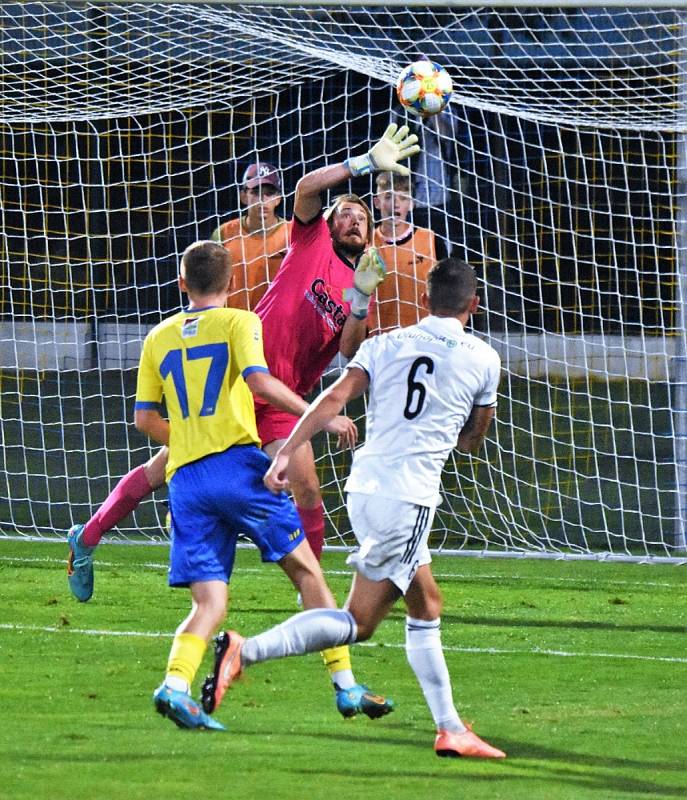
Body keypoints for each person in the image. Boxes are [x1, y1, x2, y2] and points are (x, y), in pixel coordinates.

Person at [66, 122, 420, 717]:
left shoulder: (359, 276)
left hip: (288, 396)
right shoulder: (309, 243)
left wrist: (360, 300)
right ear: (328, 222)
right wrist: (362, 165)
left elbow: (350, 351)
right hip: (247, 381)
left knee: (298, 483)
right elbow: (308, 187)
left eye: (362, 217)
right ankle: (91, 534)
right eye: (346, 213)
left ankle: (311, 601)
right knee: (169, 465)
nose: (354, 219)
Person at [201, 258, 506, 759]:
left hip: (363, 487)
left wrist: (285, 452)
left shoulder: (384, 343)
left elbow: (331, 399)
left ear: (426, 299)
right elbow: (473, 440)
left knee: (425, 603)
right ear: (473, 305)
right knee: (358, 623)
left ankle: (450, 727)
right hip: (407, 498)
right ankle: (245, 649)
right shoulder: (483, 358)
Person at [134, 240, 359, 730]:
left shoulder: (158, 336)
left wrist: (192, 439)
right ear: (231, 282)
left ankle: (175, 684)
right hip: (238, 469)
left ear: (181, 282)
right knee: (307, 573)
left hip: (187, 481)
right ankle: (346, 686)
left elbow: (145, 419)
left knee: (209, 602)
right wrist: (319, 416)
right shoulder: (240, 321)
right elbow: (260, 383)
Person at [211, 162, 289, 311]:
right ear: (243, 196)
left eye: (269, 193)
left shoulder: (292, 234)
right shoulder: (223, 234)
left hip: (275, 324)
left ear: (278, 198)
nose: (262, 200)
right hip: (231, 324)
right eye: (256, 193)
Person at [371, 170, 436, 333]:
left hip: (422, 339)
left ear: (412, 204)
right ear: (376, 202)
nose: (395, 204)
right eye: (388, 197)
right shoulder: (365, 243)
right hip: (378, 341)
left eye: (403, 198)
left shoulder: (431, 240)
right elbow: (346, 293)